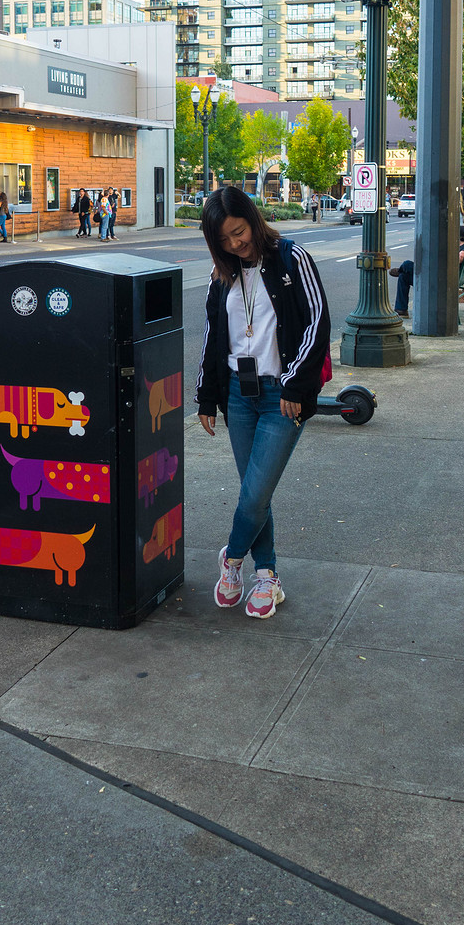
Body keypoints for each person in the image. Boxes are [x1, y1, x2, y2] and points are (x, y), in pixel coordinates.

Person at [196, 187, 330, 620]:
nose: (236, 244)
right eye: (225, 240)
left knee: (255, 493)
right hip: (238, 394)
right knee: (258, 491)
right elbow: (213, 339)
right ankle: (267, 575)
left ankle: (232, 560)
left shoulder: (292, 258)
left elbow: (317, 322)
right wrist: (206, 395)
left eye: (239, 232)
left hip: (281, 396)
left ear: (253, 219)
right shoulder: (222, 275)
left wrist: (295, 386)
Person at [390, 225, 464, 316]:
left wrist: (463, 253)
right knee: (403, 277)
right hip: (441, 278)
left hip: (437, 282)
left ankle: (400, 270)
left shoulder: (463, 250)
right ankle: (401, 310)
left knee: (407, 264)